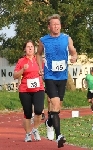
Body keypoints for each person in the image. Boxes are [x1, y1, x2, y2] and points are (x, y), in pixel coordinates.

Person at [36, 14, 77, 148]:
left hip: (62, 76)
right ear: (49, 26)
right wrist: (40, 67)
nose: (56, 26)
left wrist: (74, 57)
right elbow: (38, 54)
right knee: (54, 103)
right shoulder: (43, 40)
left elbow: (73, 52)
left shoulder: (67, 38)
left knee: (57, 107)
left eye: (58, 24)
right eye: (54, 24)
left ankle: (49, 122)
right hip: (49, 76)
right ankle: (59, 136)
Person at [13, 40, 45, 142]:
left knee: (39, 110)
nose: (30, 48)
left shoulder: (38, 59)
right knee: (27, 113)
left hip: (38, 88)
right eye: (28, 47)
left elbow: (44, 72)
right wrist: (23, 70)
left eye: (32, 46)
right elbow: (15, 75)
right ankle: (27, 134)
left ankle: (35, 129)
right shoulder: (21, 61)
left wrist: (42, 72)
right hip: (25, 90)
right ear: (25, 49)